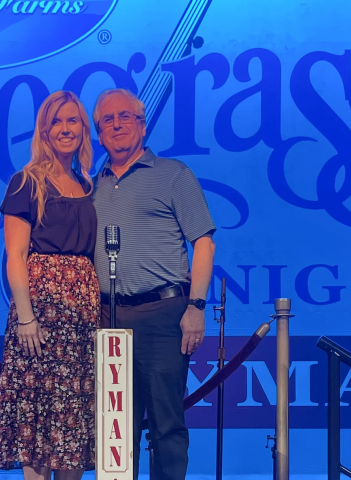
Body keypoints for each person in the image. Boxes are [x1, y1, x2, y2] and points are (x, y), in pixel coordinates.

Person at [92, 88, 216, 480]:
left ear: (142, 125)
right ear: (98, 134)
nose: (117, 125)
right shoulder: (89, 186)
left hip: (164, 315)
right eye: (107, 120)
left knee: (166, 425)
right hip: (107, 317)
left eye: (125, 116)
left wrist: (196, 307)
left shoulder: (174, 175)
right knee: (115, 430)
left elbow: (204, 242)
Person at [0, 91, 99, 480]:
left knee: (72, 420)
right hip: (40, 315)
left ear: (83, 129)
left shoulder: (87, 184)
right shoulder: (27, 182)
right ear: (44, 130)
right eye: (57, 122)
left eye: (73, 121)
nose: (66, 129)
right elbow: (16, 256)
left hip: (82, 319)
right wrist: (25, 317)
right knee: (37, 415)